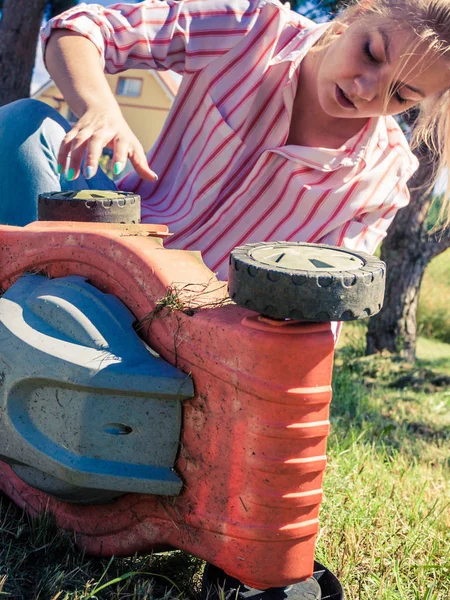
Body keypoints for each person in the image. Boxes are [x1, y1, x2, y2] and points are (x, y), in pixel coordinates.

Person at [1, 0, 450, 281]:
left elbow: (321, 306)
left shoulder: (383, 177)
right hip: (106, 245)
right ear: (358, 13)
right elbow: (80, 27)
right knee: (26, 124)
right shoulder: (249, 27)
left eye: (400, 94)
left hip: (188, 335)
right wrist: (101, 108)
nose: (367, 90)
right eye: (371, 53)